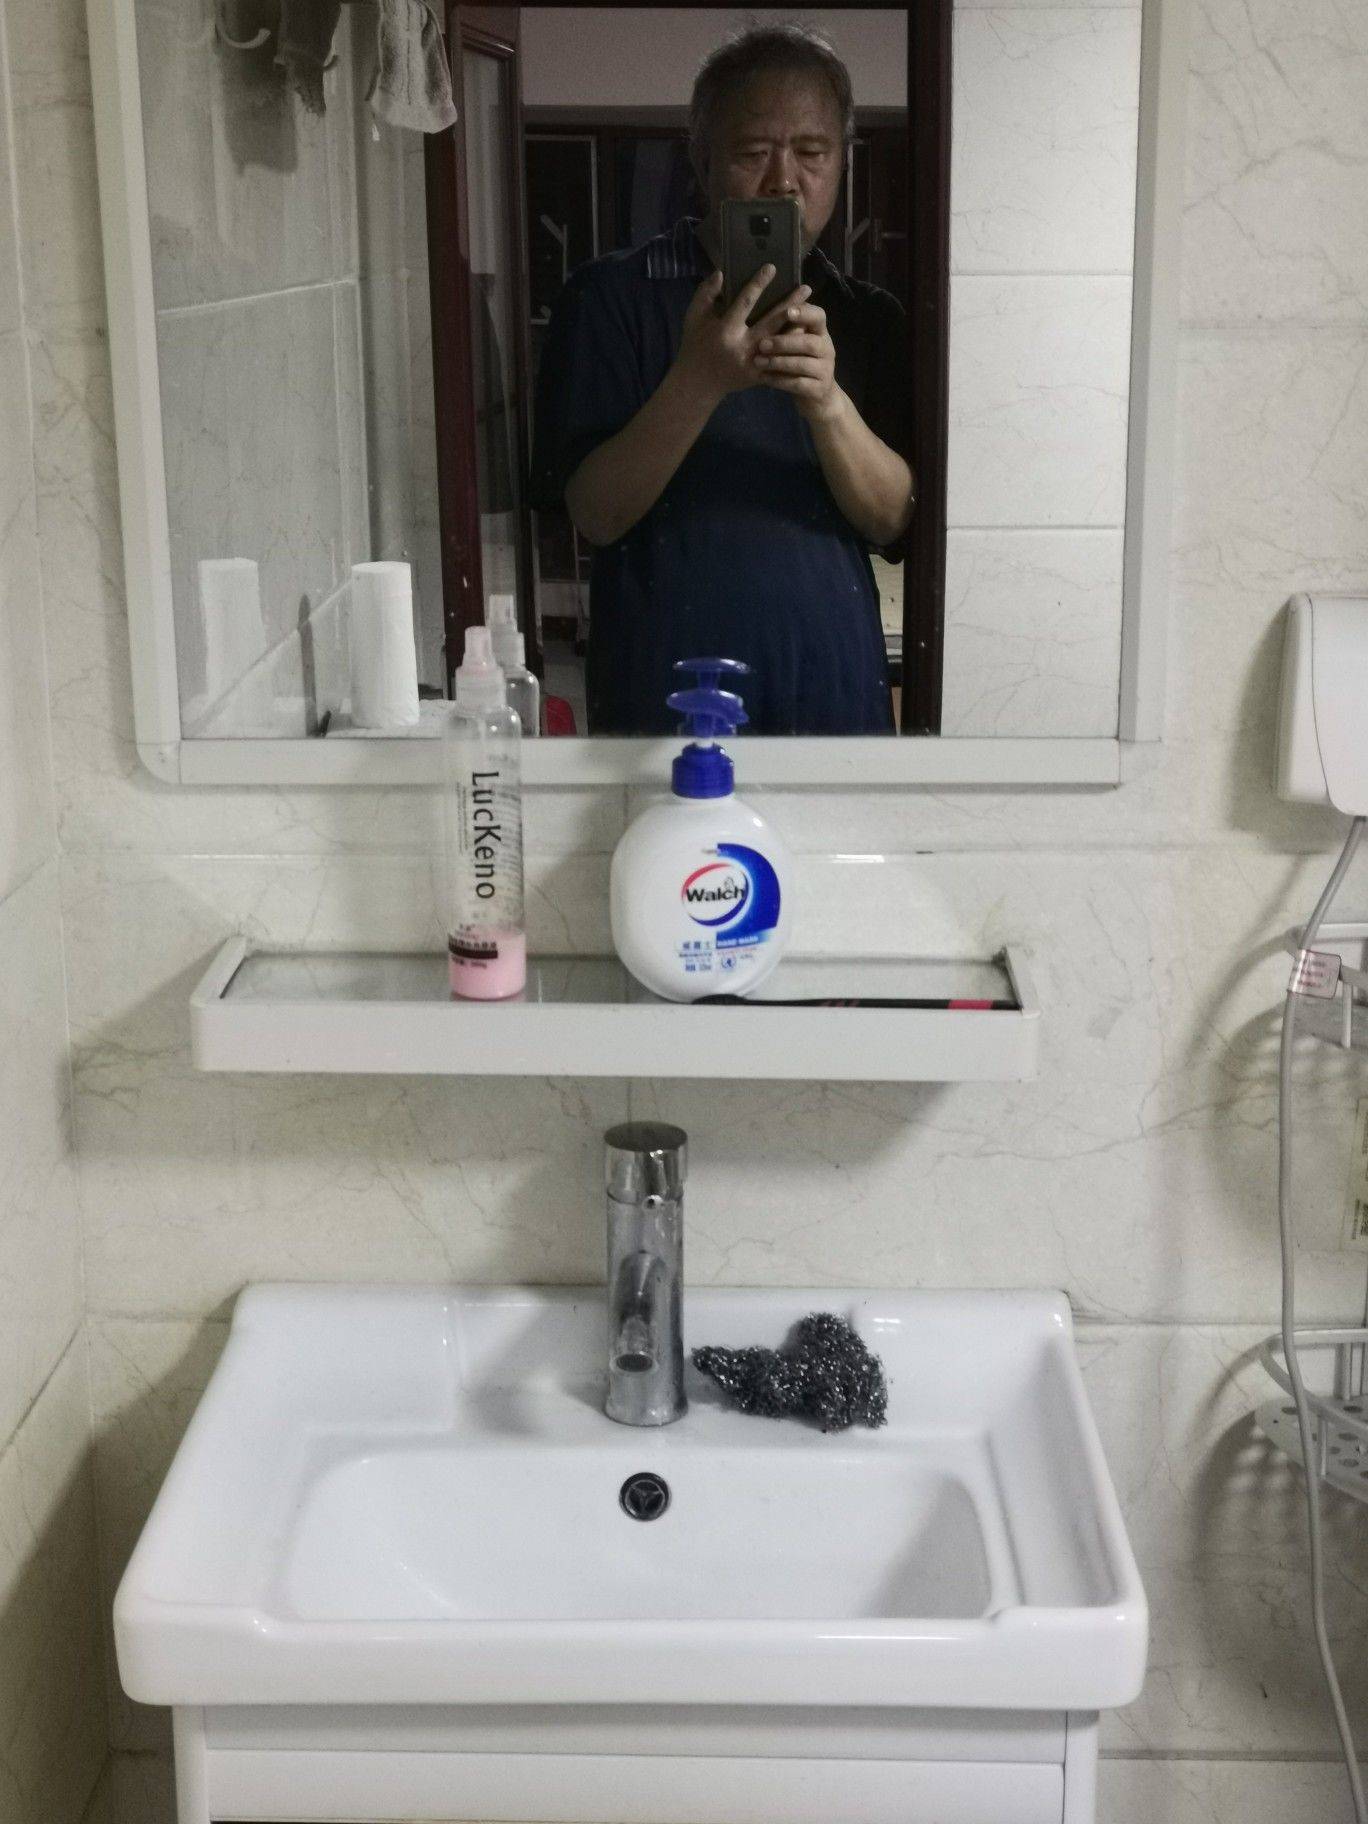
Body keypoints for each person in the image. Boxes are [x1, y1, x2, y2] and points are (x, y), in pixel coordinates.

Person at [529, 24, 915, 736]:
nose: (784, 181)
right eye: (753, 153)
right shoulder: (609, 299)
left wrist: (828, 404)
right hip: (665, 689)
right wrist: (698, 381)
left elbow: (892, 519)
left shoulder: (868, 317)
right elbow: (594, 514)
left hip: (830, 686)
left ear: (842, 161)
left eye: (812, 153)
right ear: (702, 160)